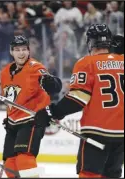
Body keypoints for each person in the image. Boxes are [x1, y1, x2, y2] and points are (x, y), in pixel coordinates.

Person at [35, 24, 124, 178]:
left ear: (90, 42)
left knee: (89, 175)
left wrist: (53, 111)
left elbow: (78, 99)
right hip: (122, 134)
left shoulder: (86, 63)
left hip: (97, 131)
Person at [0, 35, 62, 178]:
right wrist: (9, 117)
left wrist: (51, 82)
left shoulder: (35, 67)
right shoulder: (4, 72)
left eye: (24, 49)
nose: (21, 53)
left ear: (29, 51)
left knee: (24, 159)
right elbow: (10, 99)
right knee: (10, 164)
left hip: (32, 119)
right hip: (13, 123)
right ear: (11, 52)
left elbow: (54, 85)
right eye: (17, 50)